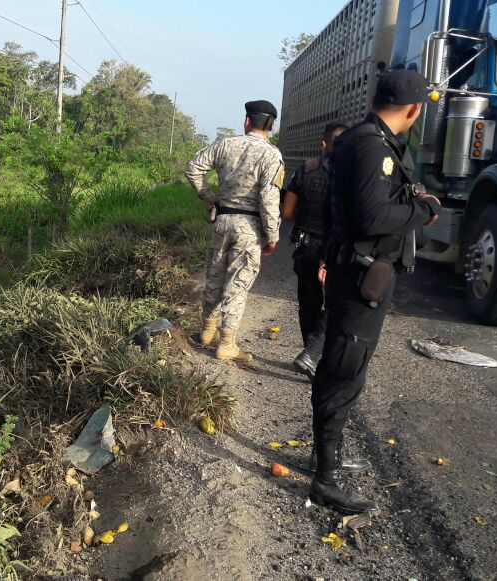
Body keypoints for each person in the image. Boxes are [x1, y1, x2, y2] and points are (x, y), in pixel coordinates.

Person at [309, 70, 442, 514]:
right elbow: (372, 218)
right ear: (414, 109)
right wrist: (423, 210)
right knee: (344, 370)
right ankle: (324, 480)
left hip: (362, 273)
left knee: (347, 366)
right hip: (362, 275)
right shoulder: (371, 146)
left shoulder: (362, 139)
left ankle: (326, 458)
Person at [185, 100, 284, 362]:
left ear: (247, 121)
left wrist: (210, 197)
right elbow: (269, 198)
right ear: (272, 126)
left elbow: (193, 169)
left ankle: (207, 330)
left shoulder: (225, 145)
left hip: (223, 220)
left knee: (214, 276)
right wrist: (272, 235)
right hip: (249, 227)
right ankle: (227, 343)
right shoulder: (271, 155)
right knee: (237, 284)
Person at [281, 123, 348, 379]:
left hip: (307, 245)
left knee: (309, 303)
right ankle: (316, 354)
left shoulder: (306, 169)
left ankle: (310, 352)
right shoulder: (354, 175)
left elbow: (287, 212)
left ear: (324, 144)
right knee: (338, 304)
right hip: (338, 250)